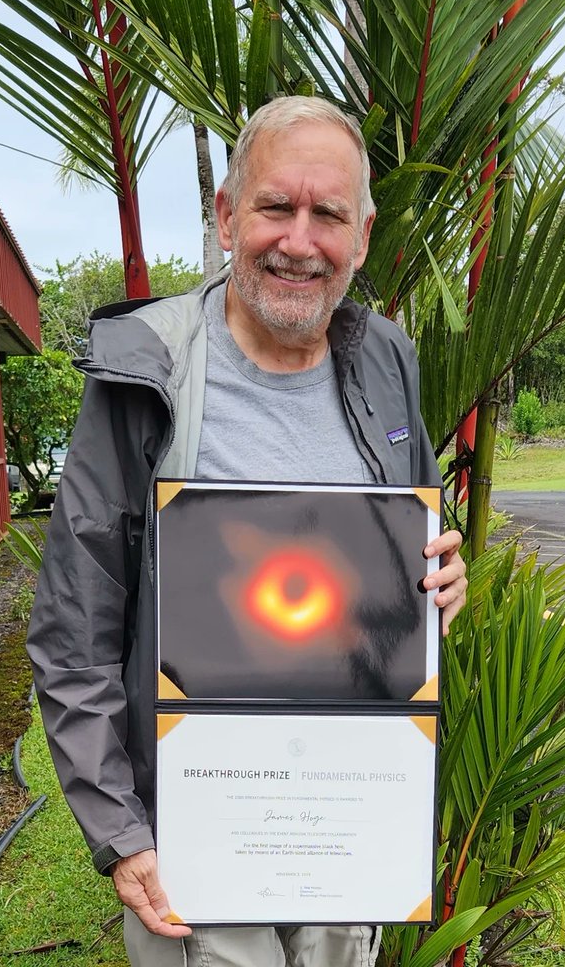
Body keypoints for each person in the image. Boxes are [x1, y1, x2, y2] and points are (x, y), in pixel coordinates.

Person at [27, 96, 467, 967]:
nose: (299, 242)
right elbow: (74, 634)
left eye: (328, 215)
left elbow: (408, 539)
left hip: (350, 803)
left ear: (364, 234)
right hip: (199, 821)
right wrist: (122, 831)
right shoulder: (146, 370)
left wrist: (442, 579)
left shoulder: (387, 359)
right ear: (228, 215)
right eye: (276, 206)